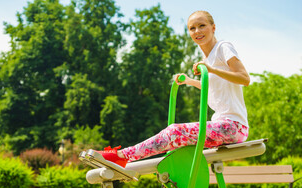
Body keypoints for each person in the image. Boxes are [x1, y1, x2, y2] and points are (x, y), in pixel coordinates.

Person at [95, 10, 250, 168]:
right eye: (192, 28)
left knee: (174, 131)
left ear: (213, 27)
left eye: (202, 26)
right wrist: (190, 81)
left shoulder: (223, 47)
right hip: (220, 124)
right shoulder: (206, 59)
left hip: (233, 126)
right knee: (175, 142)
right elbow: (212, 87)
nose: (197, 31)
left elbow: (244, 78)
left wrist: (211, 70)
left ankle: (121, 156)